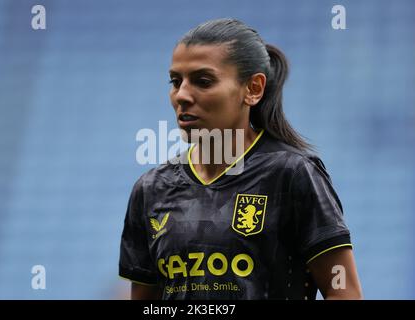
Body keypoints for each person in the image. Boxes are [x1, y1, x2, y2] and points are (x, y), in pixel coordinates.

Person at [119, 18, 363, 300]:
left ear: (253, 89)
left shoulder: (291, 173)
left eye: (203, 81)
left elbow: (344, 292)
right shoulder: (150, 189)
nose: (182, 95)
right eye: (176, 81)